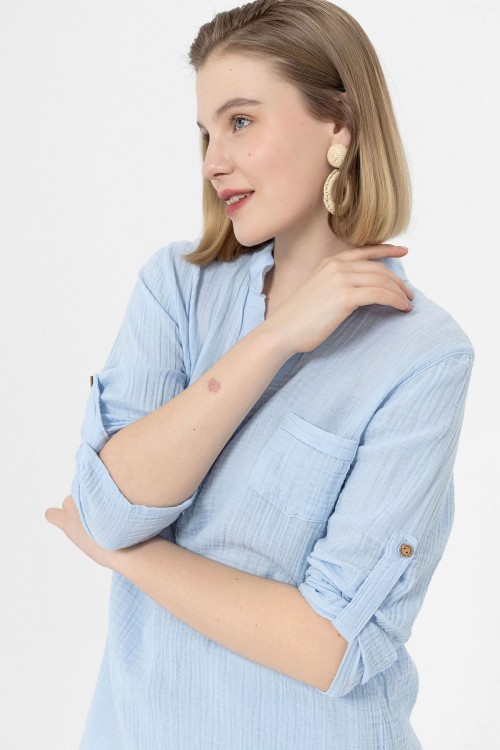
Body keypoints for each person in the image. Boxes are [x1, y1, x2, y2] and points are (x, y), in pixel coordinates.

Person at [45, 1, 475, 748]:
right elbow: (115, 508)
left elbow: (333, 645)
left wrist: (128, 559)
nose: (213, 161)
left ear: (339, 125)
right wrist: (274, 338)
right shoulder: (176, 289)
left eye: (240, 122)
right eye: (206, 133)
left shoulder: (422, 355)